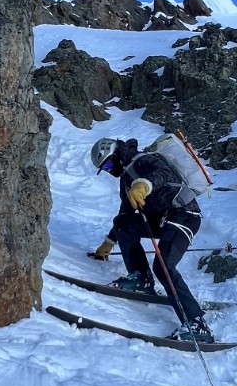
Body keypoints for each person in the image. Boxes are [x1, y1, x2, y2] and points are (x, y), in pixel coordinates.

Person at [87, 136, 215, 344]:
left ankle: (197, 324)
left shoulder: (143, 159)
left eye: (109, 163)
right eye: (105, 168)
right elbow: (127, 212)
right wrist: (109, 243)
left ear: (116, 154)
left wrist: (143, 185)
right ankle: (140, 278)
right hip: (163, 220)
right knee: (123, 222)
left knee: (163, 265)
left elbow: (163, 173)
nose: (110, 170)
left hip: (184, 215)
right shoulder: (126, 179)